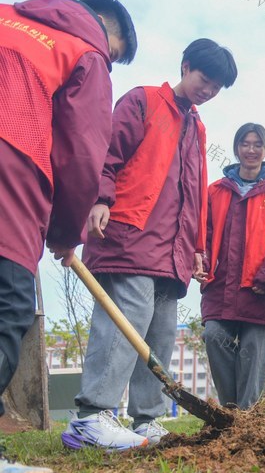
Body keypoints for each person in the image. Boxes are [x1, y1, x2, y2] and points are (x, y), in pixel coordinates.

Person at [63, 38, 237, 451]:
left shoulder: (196, 127)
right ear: (184, 65)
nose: (207, 91)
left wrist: (197, 247)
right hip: (128, 235)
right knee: (124, 324)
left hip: (171, 253)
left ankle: (147, 420)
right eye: (204, 79)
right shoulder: (143, 101)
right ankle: (91, 415)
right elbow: (106, 153)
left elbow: (194, 193)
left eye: (216, 88)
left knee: (159, 335)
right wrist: (101, 199)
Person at [0, 0, 136, 473]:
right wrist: (64, 232)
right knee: (7, 306)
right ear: (107, 27)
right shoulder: (86, 48)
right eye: (116, 54)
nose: (111, 63)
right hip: (11, 156)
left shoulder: (6, 15)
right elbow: (83, 151)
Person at [201, 124, 265, 409]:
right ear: (236, 148)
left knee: (252, 353)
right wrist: (202, 265)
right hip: (221, 287)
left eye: (257, 144)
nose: (251, 150)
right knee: (214, 336)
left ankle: (247, 415)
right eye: (245, 143)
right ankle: (231, 411)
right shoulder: (215, 191)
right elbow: (203, 235)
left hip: (261, 290)